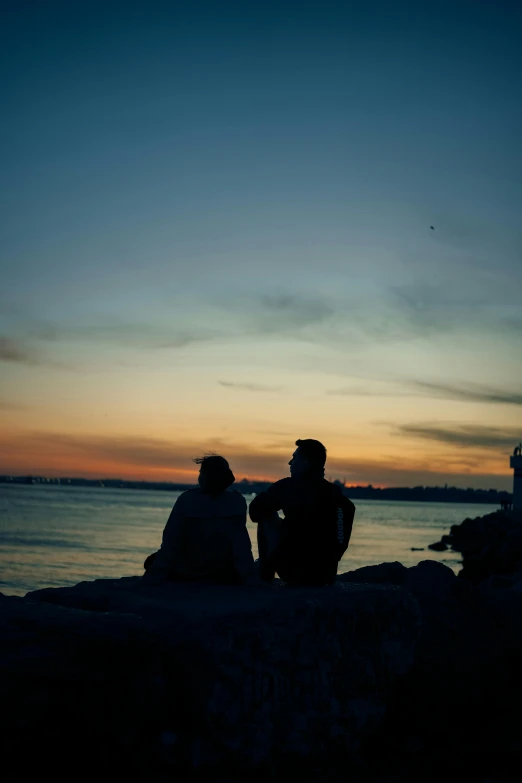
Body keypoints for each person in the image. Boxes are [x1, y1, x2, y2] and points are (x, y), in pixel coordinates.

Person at [249, 439, 355, 586]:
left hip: (293, 573)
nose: (290, 463)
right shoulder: (336, 495)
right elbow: (340, 540)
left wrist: (275, 500)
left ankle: (265, 573)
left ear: (305, 462)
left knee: (268, 515)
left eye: (294, 458)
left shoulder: (289, 486)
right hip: (325, 576)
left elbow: (255, 512)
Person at [141, 455, 258, 586]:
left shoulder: (186, 499)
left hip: (188, 572)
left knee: (150, 561)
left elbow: (171, 542)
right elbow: (241, 546)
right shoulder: (237, 501)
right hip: (222, 572)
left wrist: (153, 576)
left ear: (205, 475)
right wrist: (249, 576)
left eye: (201, 472)